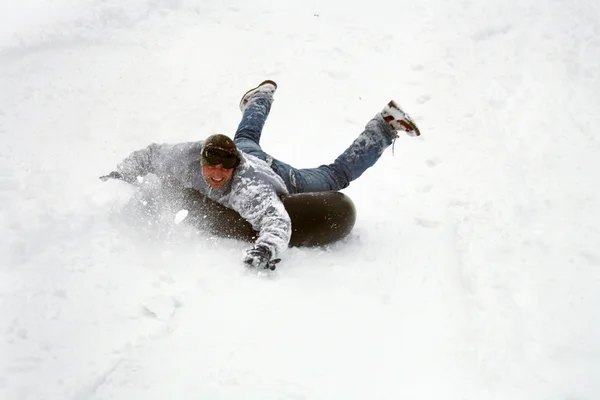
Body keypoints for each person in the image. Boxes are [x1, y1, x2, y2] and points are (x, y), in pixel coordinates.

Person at [101, 80, 421, 270]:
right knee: (247, 137)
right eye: (210, 167)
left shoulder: (248, 188)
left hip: (277, 176)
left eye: (223, 169)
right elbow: (152, 154)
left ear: (233, 166)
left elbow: (276, 220)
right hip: (248, 153)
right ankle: (261, 95)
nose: (215, 174)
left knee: (334, 176)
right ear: (202, 158)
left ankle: (384, 126)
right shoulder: (187, 157)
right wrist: (121, 174)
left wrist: (265, 249)